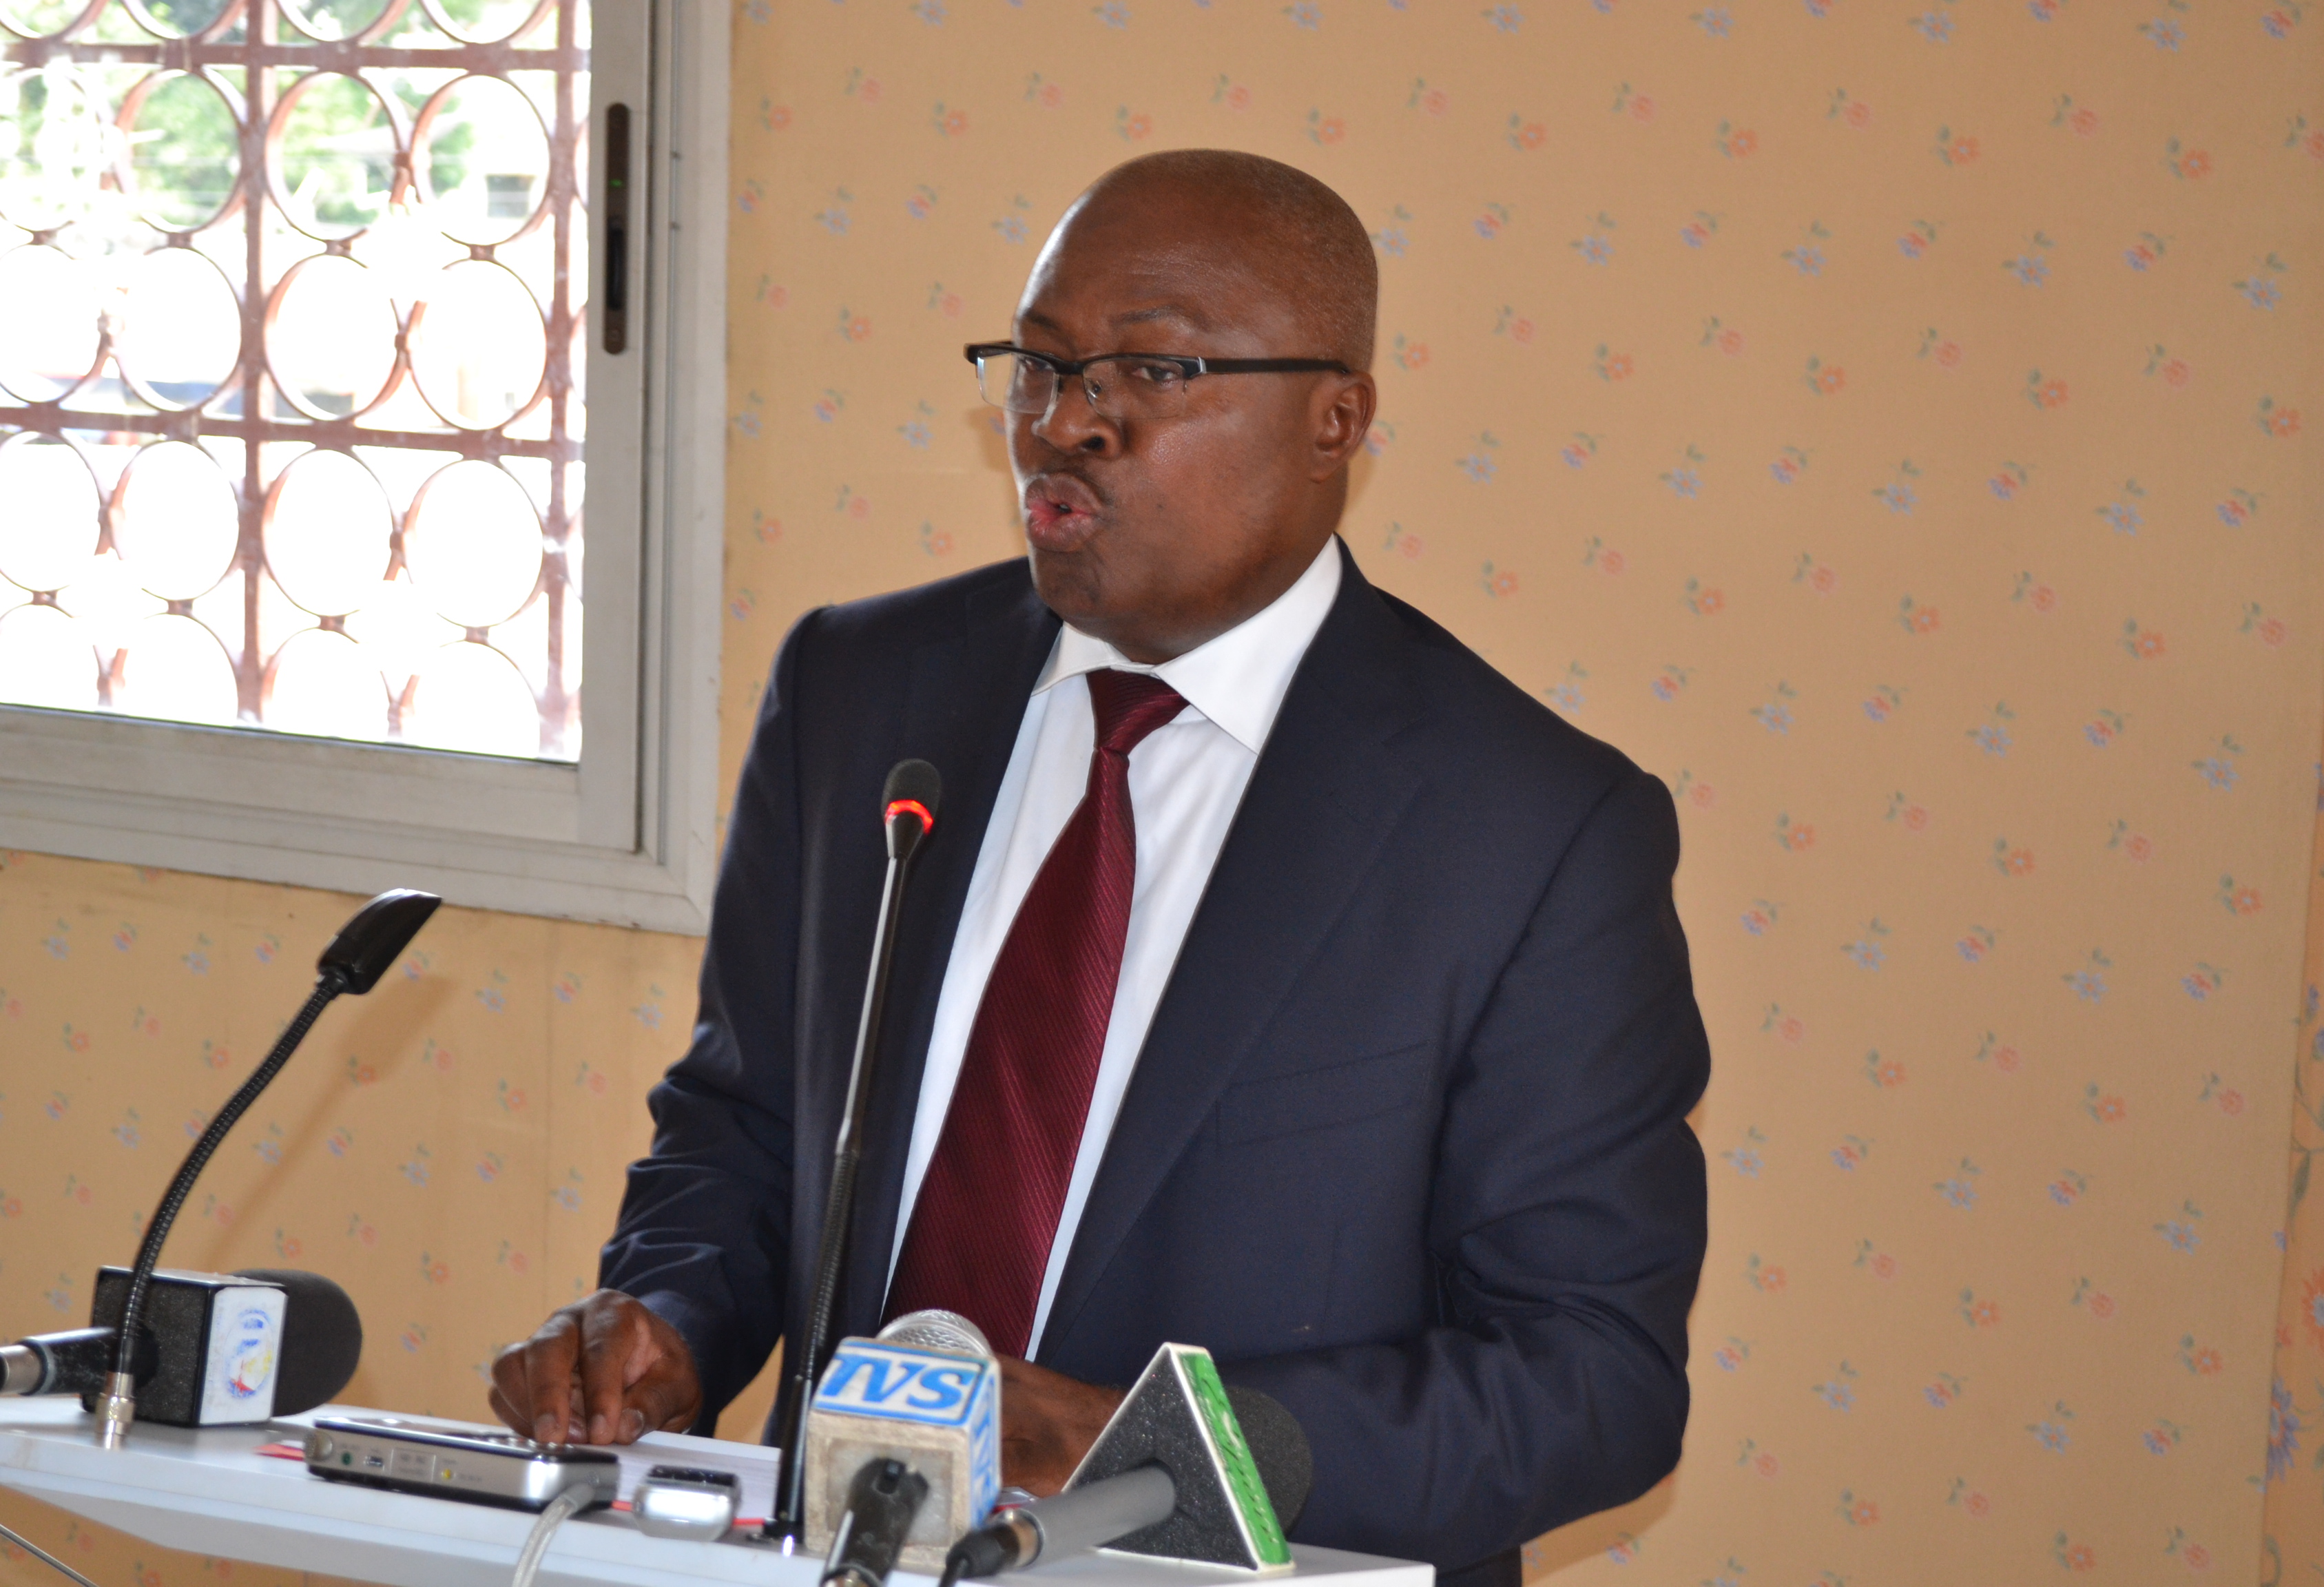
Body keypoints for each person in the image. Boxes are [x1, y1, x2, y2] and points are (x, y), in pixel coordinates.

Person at [488, 149, 1708, 1587]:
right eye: (1041, 366)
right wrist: (668, 1316)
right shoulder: (859, 694)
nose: (1065, 424)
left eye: (1155, 371)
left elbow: (1590, 1378)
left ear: (1336, 419)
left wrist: (1158, 1448)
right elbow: (749, 1125)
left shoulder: (1530, 828)